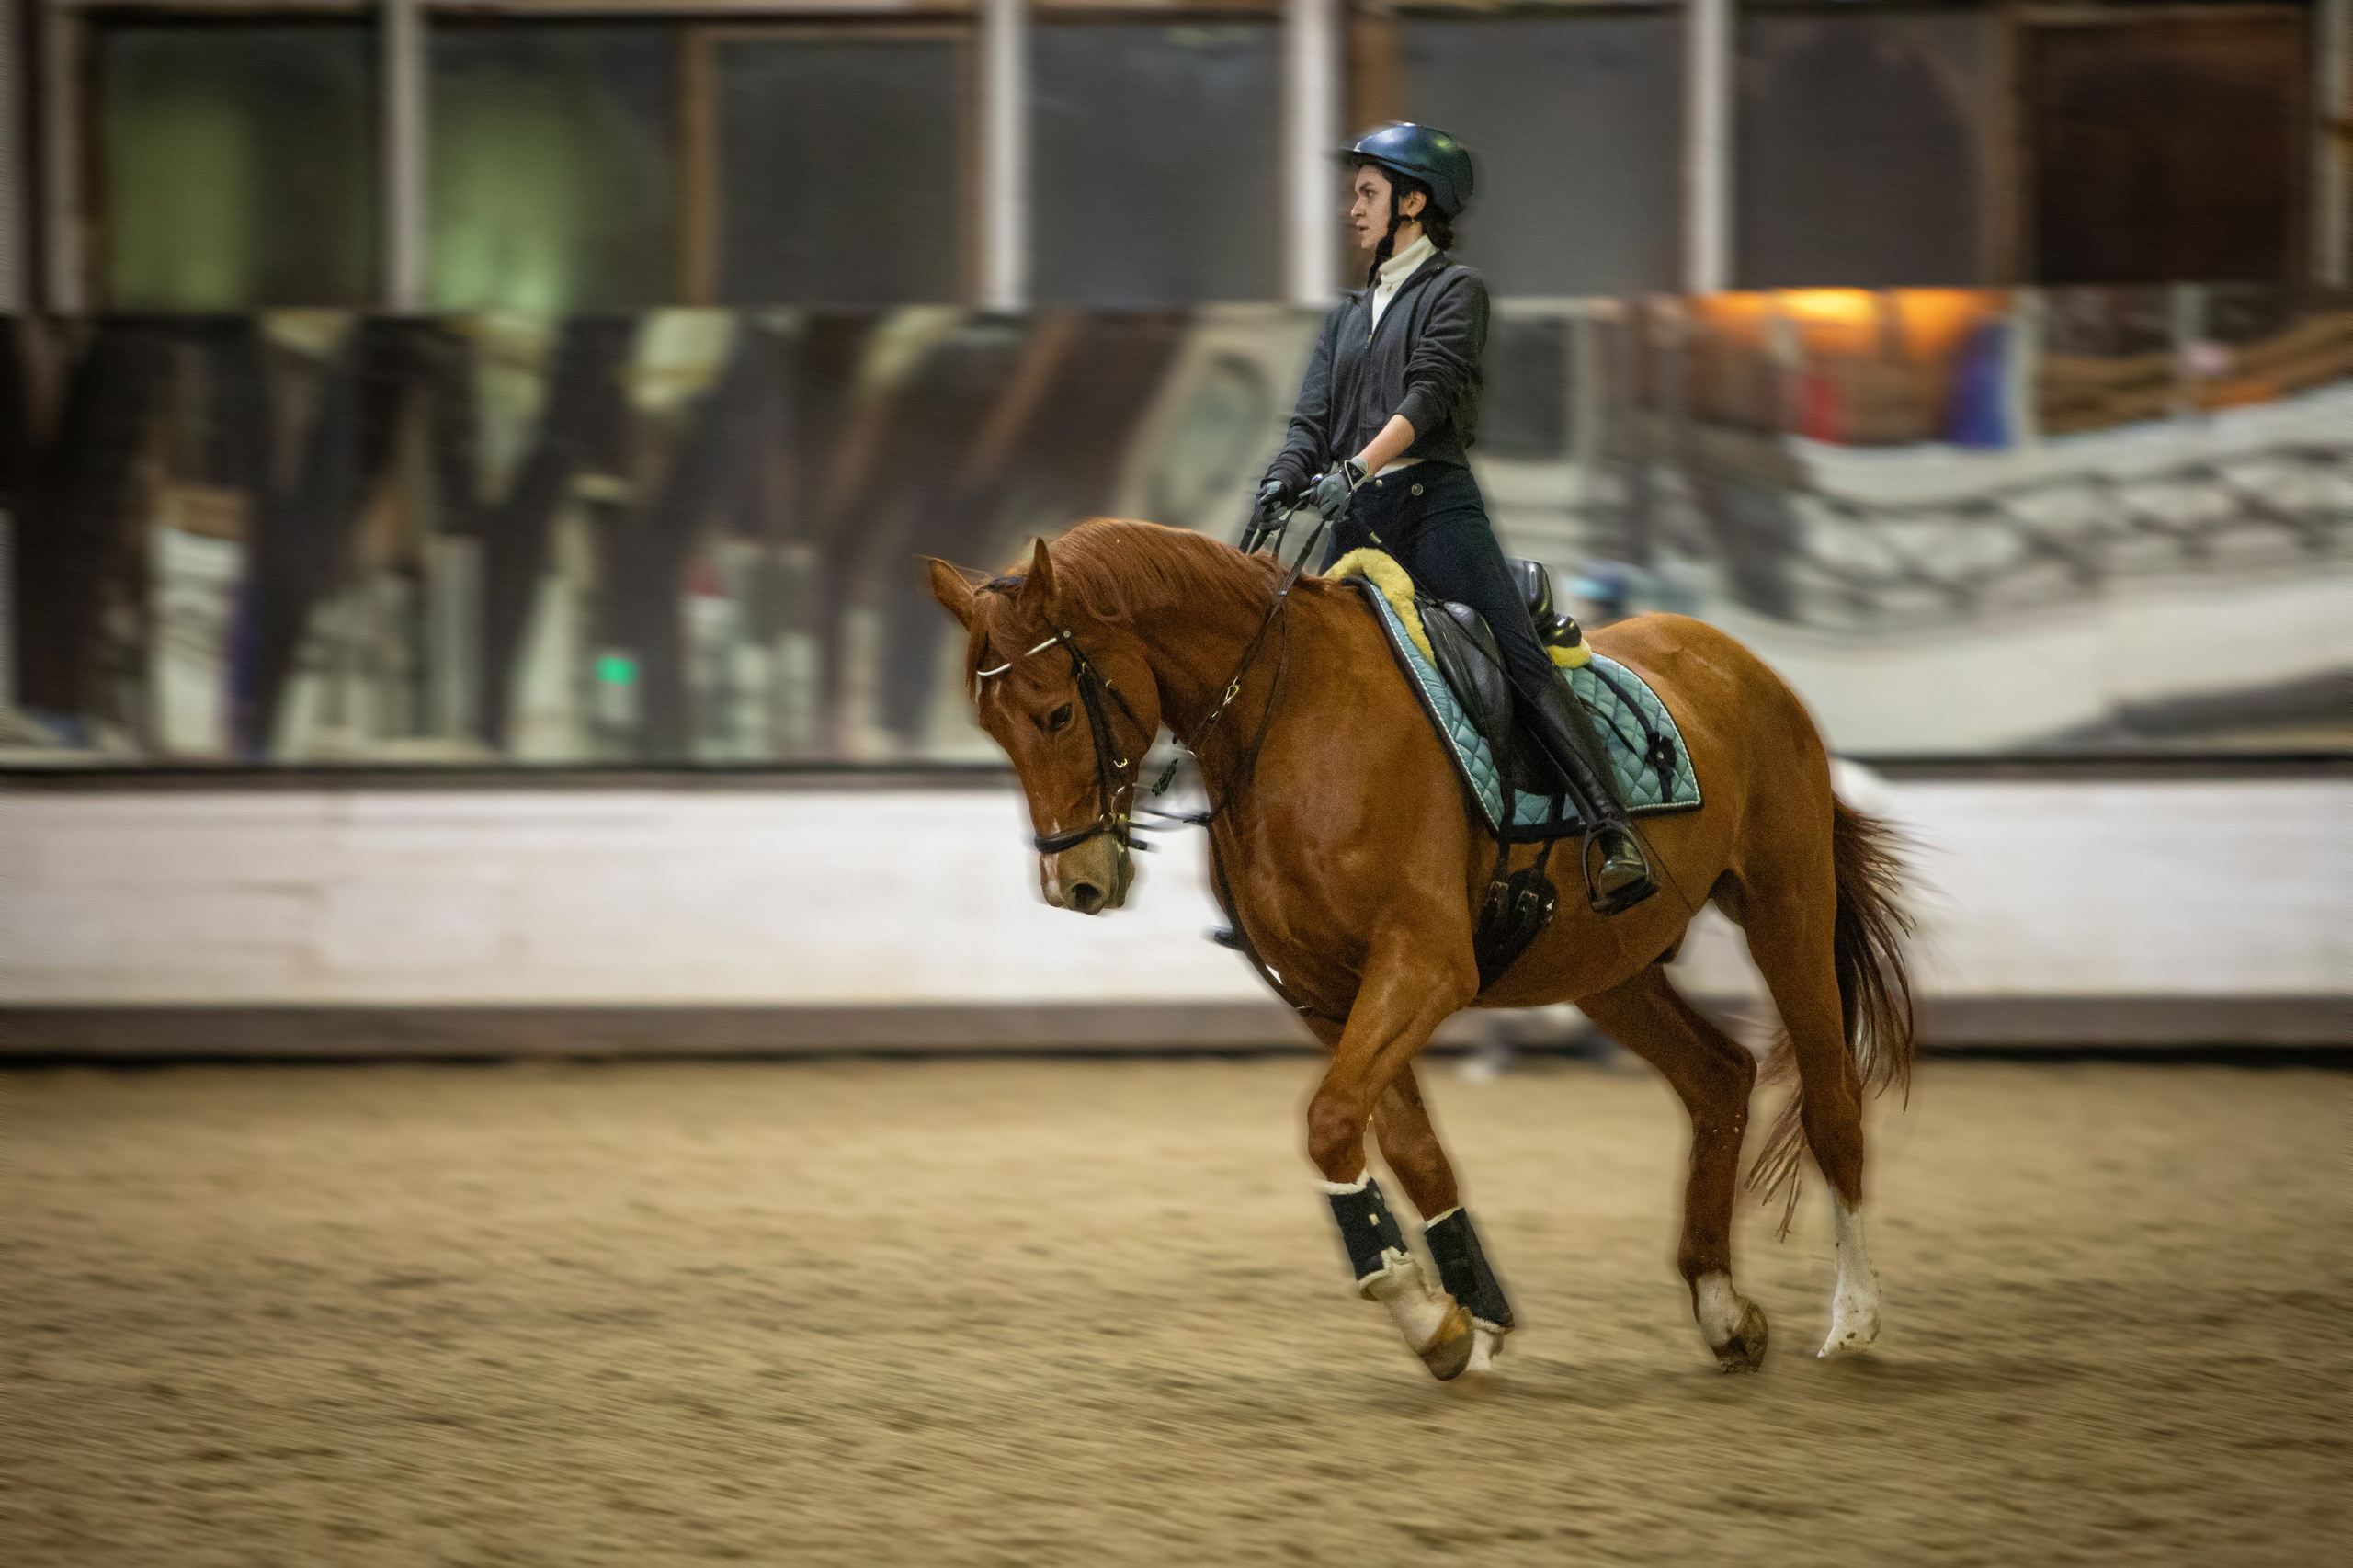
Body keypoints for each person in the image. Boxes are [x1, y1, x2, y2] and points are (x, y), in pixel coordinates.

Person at [1254, 123, 1656, 914]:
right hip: (1355, 517)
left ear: (1413, 202)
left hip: (1432, 506)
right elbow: (1309, 421)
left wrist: (1356, 467)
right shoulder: (1344, 315)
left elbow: (1430, 395)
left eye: (1366, 193)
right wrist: (1281, 481)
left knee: (1516, 653)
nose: (1350, 208)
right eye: (1354, 193)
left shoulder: (1455, 291)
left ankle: (1614, 833)